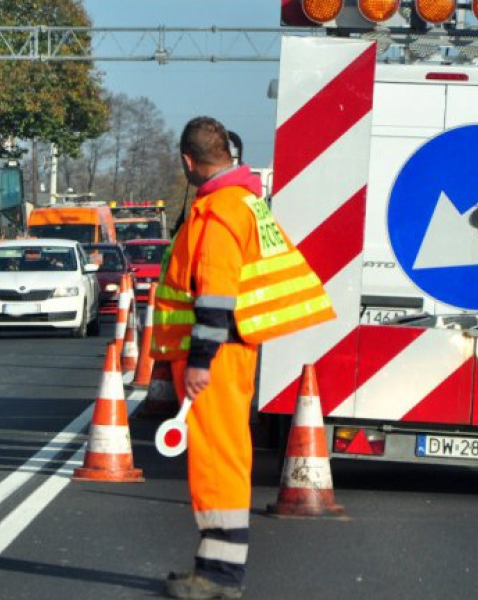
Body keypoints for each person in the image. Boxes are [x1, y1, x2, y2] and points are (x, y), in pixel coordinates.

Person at [150, 117, 334, 600]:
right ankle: (214, 570)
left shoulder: (218, 213)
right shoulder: (246, 203)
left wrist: (199, 361)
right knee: (226, 456)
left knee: (218, 461)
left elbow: (214, 295)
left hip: (218, 354)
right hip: (234, 351)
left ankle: (219, 580)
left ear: (189, 162)